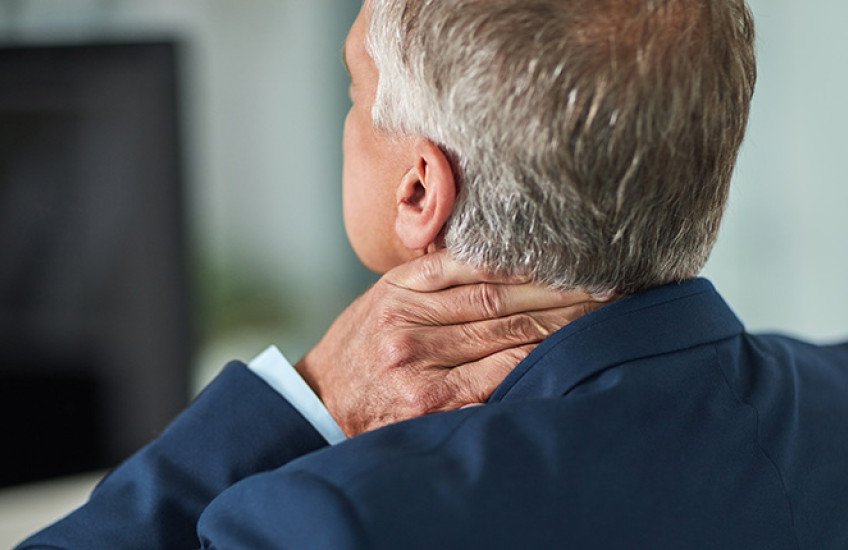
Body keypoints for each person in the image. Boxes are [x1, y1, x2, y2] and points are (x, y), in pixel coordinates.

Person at [18, 0, 848, 548]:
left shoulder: (329, 520)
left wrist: (310, 398)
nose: (346, 112)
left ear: (419, 190)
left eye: (353, 87)